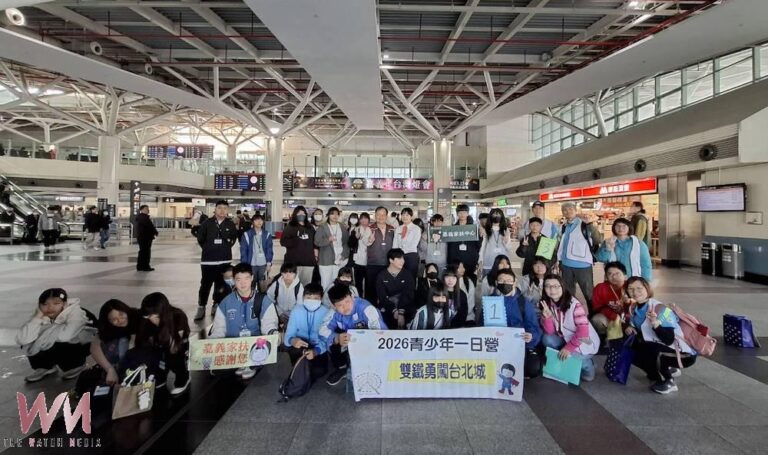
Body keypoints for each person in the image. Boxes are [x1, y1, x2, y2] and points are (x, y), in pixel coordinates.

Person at [624, 277, 696, 394]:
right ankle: (663, 370)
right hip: (663, 348)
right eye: (630, 289)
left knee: (650, 350)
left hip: (683, 354)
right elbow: (639, 328)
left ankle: (668, 381)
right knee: (632, 349)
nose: (635, 292)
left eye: (639, 288)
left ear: (647, 289)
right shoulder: (634, 308)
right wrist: (630, 328)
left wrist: (656, 324)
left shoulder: (662, 309)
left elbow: (668, 339)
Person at [210, 263, 279, 379]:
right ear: (233, 280)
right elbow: (219, 328)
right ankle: (238, 361)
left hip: (255, 346)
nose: (243, 283)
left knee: (267, 343)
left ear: (252, 278)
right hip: (234, 346)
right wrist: (209, 346)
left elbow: (269, 324)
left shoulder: (263, 300)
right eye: (238, 279)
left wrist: (273, 333)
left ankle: (252, 364)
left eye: (246, 278)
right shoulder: (226, 302)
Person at [16, 288, 94, 383]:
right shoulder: (41, 314)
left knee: (55, 337)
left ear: (64, 304)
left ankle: (76, 365)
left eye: (56, 303)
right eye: (45, 304)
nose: (50, 307)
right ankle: (45, 366)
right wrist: (36, 318)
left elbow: (66, 336)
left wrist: (45, 333)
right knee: (31, 335)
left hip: (84, 343)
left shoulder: (76, 313)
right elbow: (22, 339)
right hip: (56, 341)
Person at [318, 283, 388, 386]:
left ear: (352, 297)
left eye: (347, 302)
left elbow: (382, 332)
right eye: (340, 305)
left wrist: (365, 340)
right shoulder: (333, 312)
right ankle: (342, 368)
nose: (345, 307)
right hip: (349, 341)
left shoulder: (366, 308)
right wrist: (336, 338)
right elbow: (322, 330)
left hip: (369, 342)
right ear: (333, 306)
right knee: (334, 343)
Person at [539, 274, 600, 382]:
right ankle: (564, 359)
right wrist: (547, 318)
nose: (552, 289)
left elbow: (583, 333)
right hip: (566, 337)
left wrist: (568, 349)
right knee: (547, 338)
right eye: (548, 286)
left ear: (562, 287)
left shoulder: (575, 305)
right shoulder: (548, 304)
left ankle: (588, 365)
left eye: (556, 286)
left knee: (586, 377)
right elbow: (550, 331)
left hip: (585, 341)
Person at [76, 299, 139, 395]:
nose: (120, 320)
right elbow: (94, 347)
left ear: (126, 310)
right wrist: (110, 369)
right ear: (108, 321)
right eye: (114, 319)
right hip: (115, 365)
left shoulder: (137, 317)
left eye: (121, 314)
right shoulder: (106, 329)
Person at [132, 292, 191, 395]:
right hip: (159, 346)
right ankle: (159, 375)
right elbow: (141, 341)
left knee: (175, 357)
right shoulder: (146, 319)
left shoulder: (178, 316)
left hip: (177, 345)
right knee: (151, 354)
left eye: (153, 315)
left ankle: (183, 377)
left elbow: (175, 345)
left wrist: (163, 329)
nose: (150, 319)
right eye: (147, 316)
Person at [554, 202, 602, 314]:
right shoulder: (563, 226)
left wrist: (590, 224)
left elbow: (598, 239)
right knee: (568, 292)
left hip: (582, 264)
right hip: (565, 264)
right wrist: (558, 260)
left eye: (570, 209)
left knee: (588, 293)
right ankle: (571, 314)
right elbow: (560, 244)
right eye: (565, 210)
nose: (567, 212)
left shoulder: (585, 224)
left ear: (576, 210)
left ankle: (593, 315)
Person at [494, 270, 543, 378]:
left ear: (515, 282)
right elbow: (482, 325)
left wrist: (531, 336)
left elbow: (534, 326)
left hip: (519, 345)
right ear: (496, 283)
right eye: (501, 280)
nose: (505, 283)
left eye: (508, 280)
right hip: (496, 345)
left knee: (533, 368)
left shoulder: (523, 303)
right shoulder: (490, 301)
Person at [195, 200, 238, 321]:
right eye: (220, 208)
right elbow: (200, 238)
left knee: (221, 285)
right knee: (205, 284)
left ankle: (216, 304)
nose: (222, 211)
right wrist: (208, 248)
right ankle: (201, 306)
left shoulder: (230, 224)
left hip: (224, 260)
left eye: (225, 208)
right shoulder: (207, 223)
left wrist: (225, 247)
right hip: (208, 261)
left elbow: (233, 238)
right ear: (215, 209)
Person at [283, 283, 330, 382]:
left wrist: (316, 351)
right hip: (301, 346)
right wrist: (292, 341)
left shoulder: (326, 312)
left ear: (321, 299)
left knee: (319, 371)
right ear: (303, 298)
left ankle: (301, 372)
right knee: (297, 357)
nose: (312, 301)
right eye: (308, 297)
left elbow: (328, 339)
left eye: (316, 298)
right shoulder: (296, 310)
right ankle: (300, 371)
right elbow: (288, 336)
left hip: (318, 346)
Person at [596, 217, 653, 282]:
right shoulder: (608, 242)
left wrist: (645, 280)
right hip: (613, 279)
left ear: (629, 227)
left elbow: (645, 263)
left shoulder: (638, 243)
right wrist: (607, 249)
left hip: (633, 279)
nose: (620, 228)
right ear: (614, 228)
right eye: (618, 226)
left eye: (624, 226)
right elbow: (600, 258)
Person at [375, 248, 416, 329]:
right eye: (399, 259)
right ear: (391, 260)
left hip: (405, 307)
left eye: (403, 258)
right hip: (388, 307)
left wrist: (400, 312)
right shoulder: (381, 275)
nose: (402, 261)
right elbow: (382, 296)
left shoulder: (407, 274)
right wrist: (393, 310)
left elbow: (408, 294)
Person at [315, 207, 350, 291]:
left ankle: (334, 299)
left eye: (337, 214)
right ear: (328, 215)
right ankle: (325, 299)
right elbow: (317, 242)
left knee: (336, 283)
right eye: (332, 214)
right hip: (326, 261)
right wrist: (328, 239)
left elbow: (346, 243)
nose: (335, 216)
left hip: (339, 260)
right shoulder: (322, 227)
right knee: (325, 283)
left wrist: (344, 255)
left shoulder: (342, 227)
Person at [591, 261, 630, 336]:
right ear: (606, 277)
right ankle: (605, 337)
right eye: (610, 274)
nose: (614, 277)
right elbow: (597, 308)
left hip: (629, 319)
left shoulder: (631, 286)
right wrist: (614, 316)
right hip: (610, 318)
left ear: (625, 276)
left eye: (617, 273)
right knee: (597, 320)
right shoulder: (600, 288)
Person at [280, 206, 316, 286]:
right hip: (294, 262)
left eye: (303, 213)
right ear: (295, 214)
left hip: (308, 262)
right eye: (299, 213)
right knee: (293, 284)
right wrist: (295, 240)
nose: (301, 215)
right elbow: (283, 242)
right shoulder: (290, 227)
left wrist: (316, 255)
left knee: (306, 284)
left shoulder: (310, 228)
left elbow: (315, 242)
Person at [365, 206, 395, 302]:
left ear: (386, 216)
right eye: (378, 214)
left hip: (388, 264)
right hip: (373, 264)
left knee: (387, 289)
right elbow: (365, 242)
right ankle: (371, 308)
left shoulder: (392, 229)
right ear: (375, 215)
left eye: (383, 215)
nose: (381, 217)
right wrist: (369, 241)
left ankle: (386, 308)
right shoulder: (369, 228)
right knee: (371, 289)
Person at [447, 204, 480, 285]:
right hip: (455, 260)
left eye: (464, 212)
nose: (462, 214)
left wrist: (478, 261)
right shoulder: (452, 229)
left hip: (470, 259)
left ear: (468, 213)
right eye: (460, 212)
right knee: (456, 281)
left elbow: (478, 245)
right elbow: (450, 246)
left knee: (470, 281)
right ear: (457, 214)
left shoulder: (474, 228)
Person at [239, 214, 274, 289]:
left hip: (263, 264)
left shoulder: (267, 234)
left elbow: (269, 249)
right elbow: (243, 250)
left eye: (261, 220)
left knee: (262, 285)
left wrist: (269, 263)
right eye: (256, 220)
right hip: (251, 264)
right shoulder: (247, 234)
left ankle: (262, 296)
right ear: (252, 222)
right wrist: (244, 265)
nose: (259, 222)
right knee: (251, 284)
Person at [266, 263, 304, 330]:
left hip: (293, 314)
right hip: (279, 312)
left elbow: (300, 304)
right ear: (281, 273)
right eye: (285, 272)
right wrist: (279, 313)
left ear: (295, 274)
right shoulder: (276, 284)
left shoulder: (299, 287)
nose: (288, 275)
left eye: (291, 273)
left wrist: (292, 316)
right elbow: (269, 299)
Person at [478, 208, 514, 279]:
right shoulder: (486, 230)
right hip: (488, 262)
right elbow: (482, 248)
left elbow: (509, 250)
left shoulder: (505, 230)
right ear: (490, 216)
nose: (496, 216)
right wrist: (480, 261)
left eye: (498, 214)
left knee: (501, 282)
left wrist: (506, 242)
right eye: (494, 214)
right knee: (487, 283)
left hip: (502, 263)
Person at [392, 207, 421, 282]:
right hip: (399, 256)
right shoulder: (398, 228)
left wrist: (401, 252)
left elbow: (414, 244)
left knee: (410, 278)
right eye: (403, 215)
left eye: (407, 215)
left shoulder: (416, 229)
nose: (405, 217)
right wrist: (394, 255)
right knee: (399, 277)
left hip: (411, 256)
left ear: (411, 217)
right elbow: (395, 243)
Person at [349, 212, 371, 294]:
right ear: (359, 220)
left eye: (366, 218)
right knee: (358, 282)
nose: (364, 220)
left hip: (369, 260)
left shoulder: (371, 230)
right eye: (362, 218)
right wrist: (355, 237)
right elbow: (350, 244)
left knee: (369, 283)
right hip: (358, 260)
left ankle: (368, 299)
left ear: (369, 220)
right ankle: (359, 297)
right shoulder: (355, 230)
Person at [135, 204, 159, 272]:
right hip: (145, 237)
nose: (148, 210)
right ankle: (145, 266)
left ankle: (140, 266)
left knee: (142, 252)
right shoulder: (143, 217)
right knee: (146, 252)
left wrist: (154, 231)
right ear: (142, 210)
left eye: (148, 209)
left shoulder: (142, 217)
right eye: (146, 209)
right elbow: (149, 226)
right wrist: (155, 232)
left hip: (143, 237)